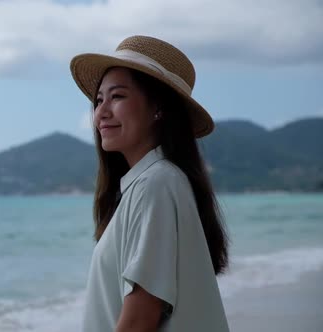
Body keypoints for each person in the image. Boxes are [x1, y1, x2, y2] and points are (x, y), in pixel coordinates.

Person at [70, 35, 230, 331]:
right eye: (99, 100)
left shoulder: (156, 183)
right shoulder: (148, 184)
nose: (101, 113)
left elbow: (140, 320)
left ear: (159, 108)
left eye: (117, 96)